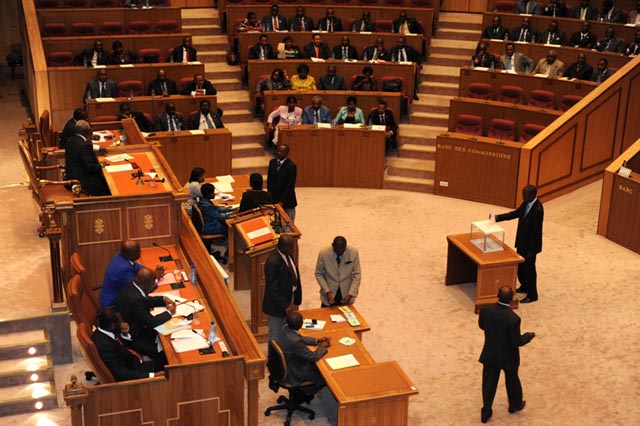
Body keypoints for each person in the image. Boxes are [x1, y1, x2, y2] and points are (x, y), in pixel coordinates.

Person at [478, 286, 535, 423]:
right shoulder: (513, 318)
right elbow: (516, 341)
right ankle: (514, 404)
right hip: (508, 356)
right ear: (511, 299)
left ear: (497, 295)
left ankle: (486, 410)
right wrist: (527, 336)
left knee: (488, 383)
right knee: (512, 380)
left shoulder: (486, 309)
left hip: (490, 353)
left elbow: (482, 325)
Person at [495, 185, 544, 303]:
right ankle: (524, 286)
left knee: (529, 270)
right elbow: (515, 213)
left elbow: (536, 233)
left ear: (532, 195)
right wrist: (498, 218)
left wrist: (532, 250)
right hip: (522, 242)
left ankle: (532, 294)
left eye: (524, 195)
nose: (522, 197)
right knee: (521, 267)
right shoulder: (526, 203)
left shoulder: (537, 210)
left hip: (530, 247)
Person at [114, 267, 175, 360]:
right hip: (135, 336)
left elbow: (145, 300)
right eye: (153, 281)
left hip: (134, 326)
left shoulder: (131, 286)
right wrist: (169, 312)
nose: (155, 283)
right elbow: (152, 322)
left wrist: (162, 299)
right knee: (167, 351)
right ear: (146, 284)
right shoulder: (137, 301)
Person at [93, 307, 165, 381]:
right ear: (112, 326)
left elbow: (121, 346)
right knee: (168, 361)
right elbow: (121, 373)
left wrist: (125, 334)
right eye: (120, 322)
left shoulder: (102, 332)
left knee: (162, 355)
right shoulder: (105, 346)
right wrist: (152, 376)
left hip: (132, 361)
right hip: (136, 371)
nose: (122, 324)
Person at [276, 312, 331, 399]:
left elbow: (300, 338)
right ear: (301, 324)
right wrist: (321, 347)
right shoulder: (295, 342)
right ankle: (306, 393)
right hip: (294, 371)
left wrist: (317, 340)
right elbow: (313, 357)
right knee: (325, 376)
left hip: (285, 365)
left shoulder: (285, 328)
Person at [99, 240, 165, 308]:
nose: (141, 251)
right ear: (131, 255)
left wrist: (152, 273)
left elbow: (136, 266)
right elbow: (137, 292)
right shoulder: (124, 270)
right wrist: (156, 279)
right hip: (113, 304)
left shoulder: (120, 255)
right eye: (138, 250)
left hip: (110, 296)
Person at [262, 235, 301, 342]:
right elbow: (272, 288)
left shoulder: (287, 255)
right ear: (284, 247)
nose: (293, 249)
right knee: (275, 335)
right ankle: (273, 359)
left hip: (289, 297)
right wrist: (285, 305)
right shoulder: (272, 262)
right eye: (291, 247)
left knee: (286, 331)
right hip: (277, 306)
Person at [64, 120, 111, 196]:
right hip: (81, 182)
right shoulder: (84, 145)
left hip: (70, 178)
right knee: (108, 187)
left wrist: (97, 148)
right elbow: (90, 167)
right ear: (87, 132)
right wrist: (101, 165)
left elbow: (80, 147)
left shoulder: (71, 140)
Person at [315, 236, 361, 307]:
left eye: (343, 250)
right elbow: (318, 274)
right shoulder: (323, 254)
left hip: (346, 295)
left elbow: (357, 275)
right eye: (337, 251)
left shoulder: (354, 253)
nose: (341, 253)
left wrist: (350, 294)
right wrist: (327, 291)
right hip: (329, 296)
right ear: (333, 246)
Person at [267, 144, 298, 221]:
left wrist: (281, 201)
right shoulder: (272, 163)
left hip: (287, 200)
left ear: (287, 153)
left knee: (288, 224)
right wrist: (269, 196)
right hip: (274, 198)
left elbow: (289, 186)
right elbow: (269, 181)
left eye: (281, 152)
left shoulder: (291, 166)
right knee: (275, 222)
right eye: (278, 151)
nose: (278, 153)